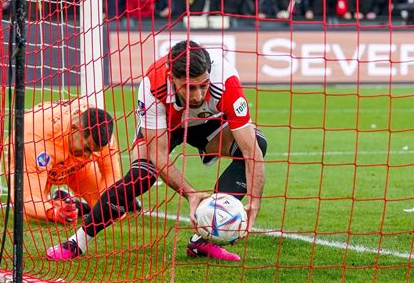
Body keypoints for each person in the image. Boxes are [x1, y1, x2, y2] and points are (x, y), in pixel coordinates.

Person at [46, 40, 267, 261]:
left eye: (203, 85)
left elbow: (251, 151)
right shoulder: (153, 85)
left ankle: (203, 240)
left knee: (257, 142)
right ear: (172, 78)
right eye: (190, 87)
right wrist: (190, 193)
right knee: (140, 175)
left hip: (207, 125)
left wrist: (254, 203)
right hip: (165, 126)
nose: (199, 95)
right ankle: (78, 242)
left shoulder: (227, 81)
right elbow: (159, 156)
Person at [7, 99, 122, 225]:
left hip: (74, 168)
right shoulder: (36, 137)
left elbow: (111, 174)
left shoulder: (100, 130)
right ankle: (59, 203)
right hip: (33, 163)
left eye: (93, 151)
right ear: (74, 128)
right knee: (32, 215)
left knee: (113, 211)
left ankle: (73, 203)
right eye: (87, 148)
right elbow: (27, 201)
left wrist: (110, 203)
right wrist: (54, 213)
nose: (88, 156)